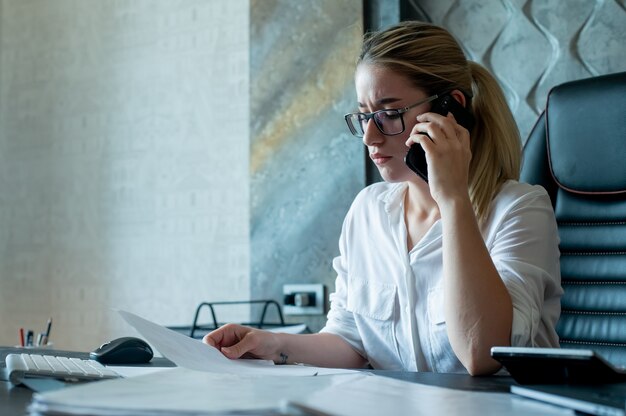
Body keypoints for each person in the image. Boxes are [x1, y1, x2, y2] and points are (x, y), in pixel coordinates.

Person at [203, 21, 562, 375]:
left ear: (450, 109)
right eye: (364, 117)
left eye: (389, 114)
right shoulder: (368, 210)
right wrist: (269, 345)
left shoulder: (519, 209)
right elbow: (351, 341)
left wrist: (453, 201)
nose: (369, 137)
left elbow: (481, 353)